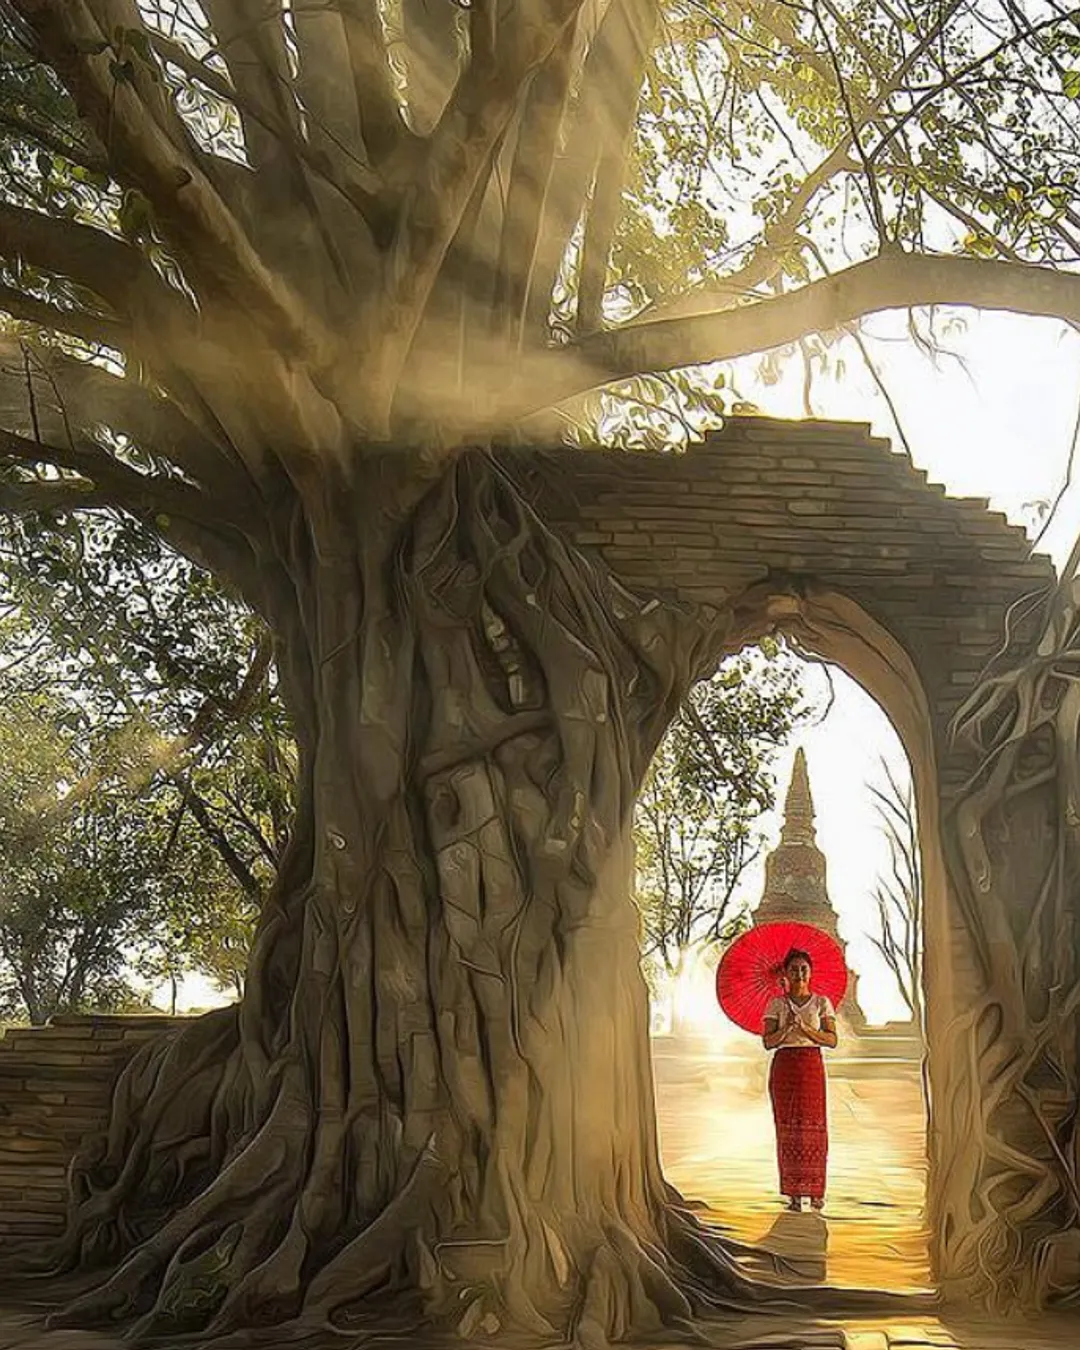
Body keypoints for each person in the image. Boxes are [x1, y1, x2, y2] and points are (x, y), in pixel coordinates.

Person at [761, 948, 837, 1213]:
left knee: (815, 1127)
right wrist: (786, 1028)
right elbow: (768, 1042)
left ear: (811, 971)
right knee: (788, 1129)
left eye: (804, 968)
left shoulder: (821, 1003)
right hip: (785, 1068)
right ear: (786, 973)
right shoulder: (776, 1005)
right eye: (794, 969)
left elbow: (832, 1040)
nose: (799, 973)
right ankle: (794, 1193)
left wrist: (804, 1028)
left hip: (811, 1066)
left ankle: (816, 1191)